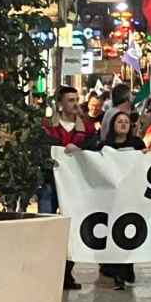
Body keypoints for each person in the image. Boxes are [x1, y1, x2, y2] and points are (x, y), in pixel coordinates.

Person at [42, 86, 96, 290]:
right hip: (50, 184)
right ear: (60, 104)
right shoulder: (47, 126)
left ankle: (67, 273)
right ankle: (49, 273)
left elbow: (95, 151)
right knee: (48, 227)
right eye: (70, 100)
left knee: (72, 229)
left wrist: (80, 150)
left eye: (76, 99)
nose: (75, 104)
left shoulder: (88, 128)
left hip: (76, 186)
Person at [93, 111, 145, 290]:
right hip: (111, 200)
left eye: (126, 122)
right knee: (113, 234)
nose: (123, 124)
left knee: (129, 233)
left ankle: (127, 267)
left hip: (131, 198)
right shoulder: (104, 146)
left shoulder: (137, 144)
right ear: (113, 125)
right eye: (119, 122)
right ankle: (115, 272)